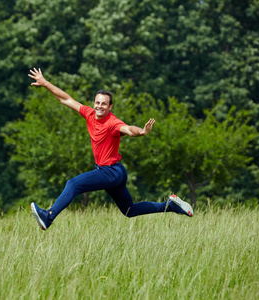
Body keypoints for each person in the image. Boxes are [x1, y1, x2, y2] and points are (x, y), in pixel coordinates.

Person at [28, 68, 193, 230]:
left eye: (104, 104)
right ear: (94, 103)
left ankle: (48, 216)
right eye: (97, 102)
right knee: (129, 210)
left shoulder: (112, 123)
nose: (100, 106)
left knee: (73, 184)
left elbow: (128, 129)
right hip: (117, 171)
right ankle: (170, 205)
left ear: (110, 107)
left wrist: (142, 132)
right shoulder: (89, 114)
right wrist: (45, 83)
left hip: (110, 173)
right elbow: (65, 99)